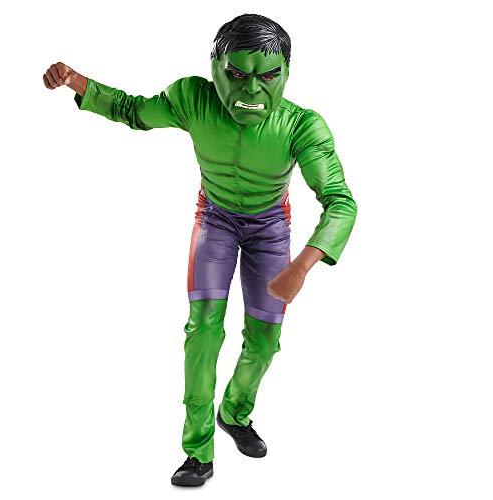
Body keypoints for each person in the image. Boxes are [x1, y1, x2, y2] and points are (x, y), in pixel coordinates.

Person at [43, 13, 357, 487]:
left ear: (287, 73)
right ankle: (198, 451)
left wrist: (304, 264)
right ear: (214, 68)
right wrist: (76, 81)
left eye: (268, 75)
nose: (252, 89)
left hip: (270, 229)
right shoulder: (193, 98)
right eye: (237, 74)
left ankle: (235, 411)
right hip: (215, 220)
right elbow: (133, 110)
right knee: (203, 330)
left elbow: (341, 202)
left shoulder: (302, 126)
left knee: (264, 340)